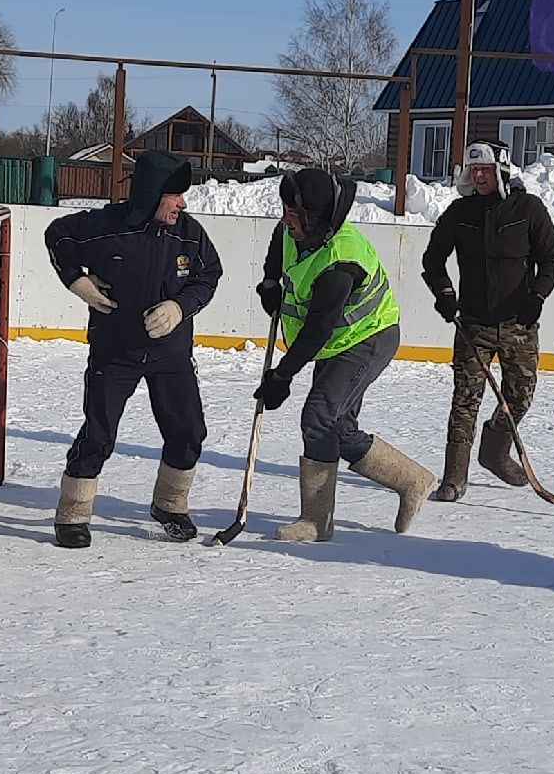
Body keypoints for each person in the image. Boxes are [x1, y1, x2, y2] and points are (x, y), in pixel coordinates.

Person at [44, 150, 222, 549]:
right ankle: (73, 512)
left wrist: (181, 307)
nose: (183, 203)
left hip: (170, 354)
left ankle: (170, 505)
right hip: (115, 351)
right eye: (175, 196)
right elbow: (56, 236)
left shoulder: (189, 234)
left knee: (188, 431)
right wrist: (78, 283)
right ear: (153, 194)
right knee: (99, 433)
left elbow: (209, 275)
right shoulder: (102, 226)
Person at [254, 168, 435, 540]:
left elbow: (317, 331)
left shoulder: (341, 261)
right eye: (285, 211)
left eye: (294, 215)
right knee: (337, 426)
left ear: (316, 219)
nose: (286, 221)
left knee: (318, 417)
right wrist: (271, 282)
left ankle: (316, 522)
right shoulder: (292, 230)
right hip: (338, 341)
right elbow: (278, 245)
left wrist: (281, 377)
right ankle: (412, 480)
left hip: (367, 339)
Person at [420, 141, 554, 500]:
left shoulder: (528, 208)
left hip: (519, 323)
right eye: (473, 171)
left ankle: (494, 452)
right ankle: (454, 478)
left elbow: (551, 259)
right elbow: (433, 260)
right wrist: (445, 295)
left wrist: (538, 297)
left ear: (500, 170)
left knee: (520, 396)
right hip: (473, 325)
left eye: (485, 170)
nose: (479, 176)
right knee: (465, 400)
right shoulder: (459, 212)